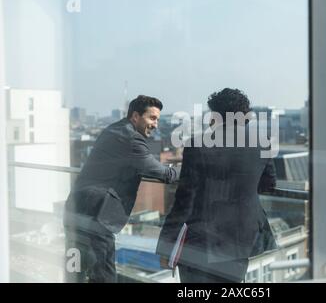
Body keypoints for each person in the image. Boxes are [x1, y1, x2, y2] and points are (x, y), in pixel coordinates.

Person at [156, 88, 277, 283]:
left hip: (202, 241)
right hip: (241, 238)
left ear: (216, 115)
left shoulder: (198, 144)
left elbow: (184, 200)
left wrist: (166, 247)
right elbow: (269, 183)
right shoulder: (262, 143)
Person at [64, 95, 178, 283]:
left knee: (75, 269)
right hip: (97, 216)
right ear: (135, 116)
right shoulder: (132, 138)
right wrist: (188, 170)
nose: (156, 124)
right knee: (103, 275)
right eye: (152, 118)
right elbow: (160, 172)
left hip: (76, 210)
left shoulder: (114, 129)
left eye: (157, 119)